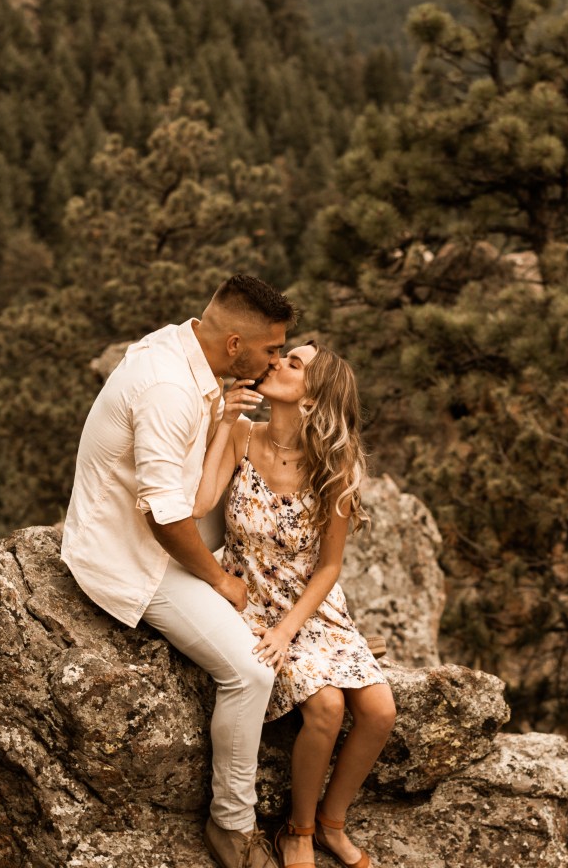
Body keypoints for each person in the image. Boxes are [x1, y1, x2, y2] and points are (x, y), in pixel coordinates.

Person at [61, 274, 294, 868]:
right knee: (250, 671)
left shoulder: (184, 347)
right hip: (129, 556)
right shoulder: (166, 384)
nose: (276, 360)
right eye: (272, 349)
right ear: (236, 343)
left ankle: (302, 606)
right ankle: (231, 826)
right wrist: (219, 582)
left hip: (161, 527)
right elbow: (164, 517)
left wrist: (223, 425)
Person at [193, 342, 396, 868]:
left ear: (314, 394)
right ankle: (298, 832)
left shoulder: (336, 462)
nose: (277, 362)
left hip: (311, 606)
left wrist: (289, 630)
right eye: (282, 356)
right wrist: (223, 422)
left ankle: (332, 823)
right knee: (327, 707)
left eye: (294, 363)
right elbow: (198, 505)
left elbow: (329, 568)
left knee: (379, 711)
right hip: (251, 597)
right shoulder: (243, 436)